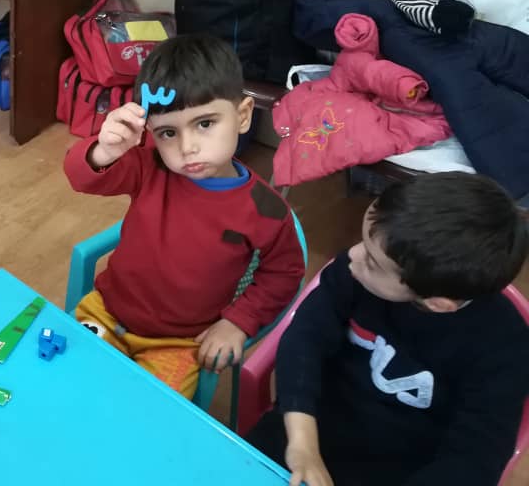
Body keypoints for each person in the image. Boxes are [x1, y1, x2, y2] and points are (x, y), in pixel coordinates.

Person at [247, 172, 529, 486]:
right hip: (305, 426)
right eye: (364, 243)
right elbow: (305, 339)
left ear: (437, 303)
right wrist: (303, 443)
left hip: (399, 470)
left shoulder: (504, 347)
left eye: (372, 262)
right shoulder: (353, 274)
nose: (352, 256)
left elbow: (474, 458)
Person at [63, 33, 305, 398]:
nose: (187, 147)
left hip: (178, 343)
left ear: (242, 115)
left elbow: (284, 273)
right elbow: (81, 177)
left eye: (205, 123)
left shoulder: (266, 208)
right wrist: (105, 149)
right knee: (64, 383)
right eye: (167, 132)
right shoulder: (149, 166)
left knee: (148, 415)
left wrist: (238, 322)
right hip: (106, 314)